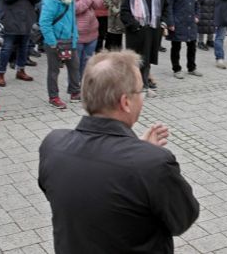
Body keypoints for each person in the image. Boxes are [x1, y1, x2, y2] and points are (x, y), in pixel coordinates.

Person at [38, 51, 199, 254]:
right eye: (141, 90)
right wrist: (142, 155)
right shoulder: (153, 164)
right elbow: (183, 219)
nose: (143, 96)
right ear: (125, 102)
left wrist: (136, 148)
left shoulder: (54, 144)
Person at [39, 0, 80, 109]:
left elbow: (73, 19)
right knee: (54, 70)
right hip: (55, 41)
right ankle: (54, 97)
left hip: (70, 39)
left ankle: (75, 92)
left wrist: (75, 37)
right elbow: (44, 22)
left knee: (74, 66)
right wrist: (52, 43)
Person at [166, 0, 201, 78]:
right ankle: (176, 69)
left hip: (191, 20)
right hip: (178, 20)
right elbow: (168, 5)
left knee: (192, 45)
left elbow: (197, 2)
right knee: (176, 46)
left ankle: (192, 67)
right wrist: (170, 22)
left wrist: (197, 15)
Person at [72, 0, 103, 78]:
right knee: (76, 63)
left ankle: (85, 85)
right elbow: (76, 9)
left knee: (88, 62)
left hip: (92, 31)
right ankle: (74, 86)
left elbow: (98, 4)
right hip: (78, 33)